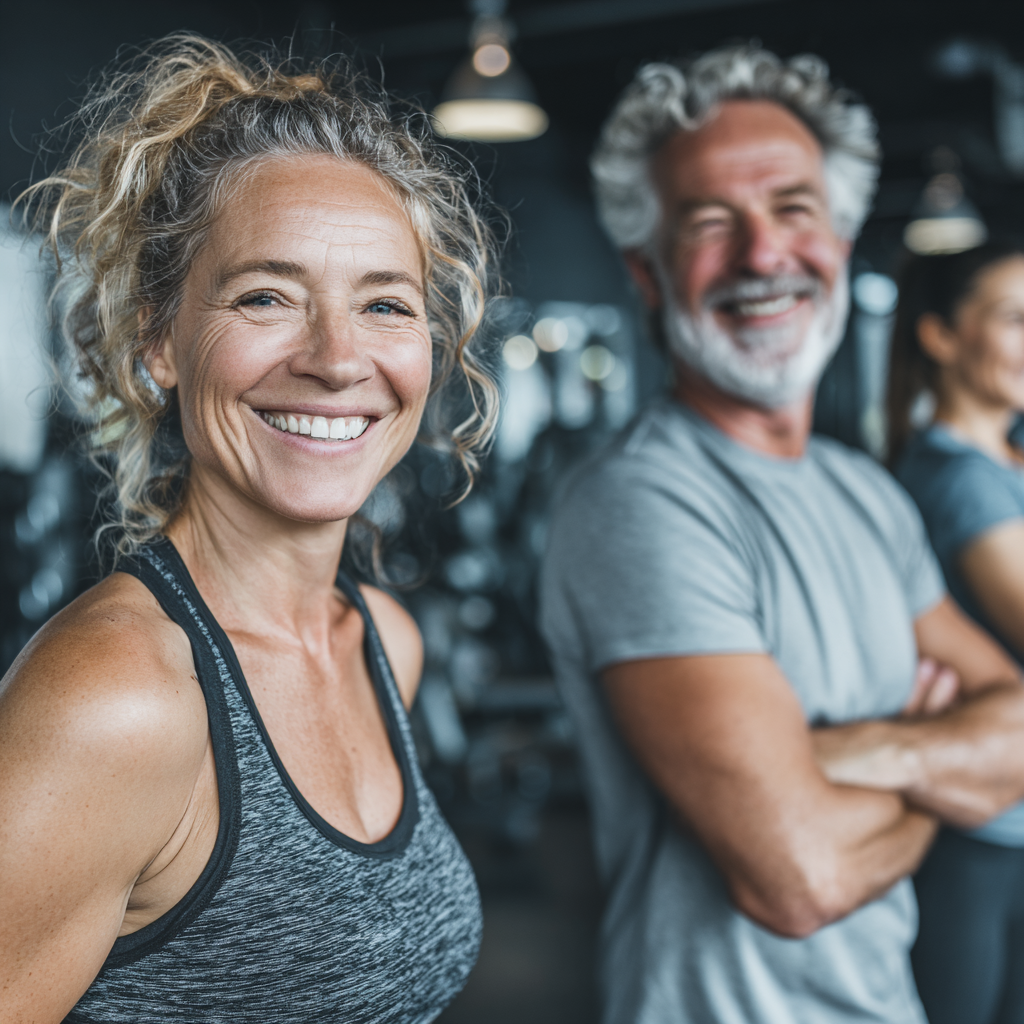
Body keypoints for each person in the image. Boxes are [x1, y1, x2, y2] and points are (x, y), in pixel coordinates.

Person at [0, 35, 497, 1022]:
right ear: (158, 338)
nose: (337, 358)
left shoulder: (382, 642)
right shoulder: (119, 700)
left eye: (385, 305)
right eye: (267, 295)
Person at [539, 45, 1024, 1024]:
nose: (763, 254)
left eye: (793, 209)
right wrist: (942, 764)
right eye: (711, 223)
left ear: (840, 240)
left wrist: (858, 755)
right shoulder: (642, 503)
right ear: (646, 271)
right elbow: (795, 877)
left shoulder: (866, 493)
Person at [889, 241, 1024, 1024]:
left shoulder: (1003, 465)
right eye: (1013, 318)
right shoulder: (957, 477)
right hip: (981, 832)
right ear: (941, 336)